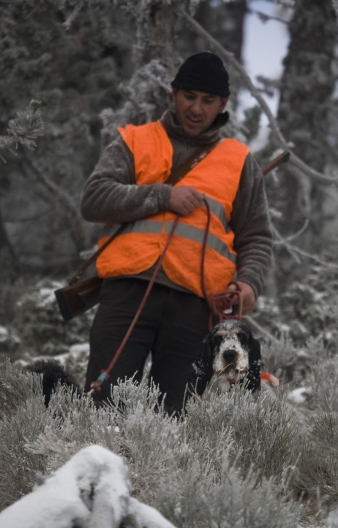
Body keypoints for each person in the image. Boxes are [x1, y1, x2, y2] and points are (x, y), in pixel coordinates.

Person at [80, 52, 272, 414]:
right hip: (127, 293)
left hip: (195, 307)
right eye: (189, 96)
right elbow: (93, 199)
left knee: (173, 417)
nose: (196, 109)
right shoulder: (135, 141)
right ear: (173, 94)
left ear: (223, 104)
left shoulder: (240, 160)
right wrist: (163, 195)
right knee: (105, 407)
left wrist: (249, 283)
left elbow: (257, 237)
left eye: (208, 100)